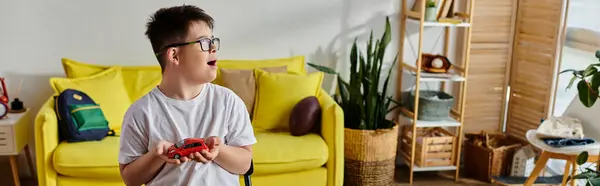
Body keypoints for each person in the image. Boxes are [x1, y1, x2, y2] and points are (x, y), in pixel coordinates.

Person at [118, 4, 256, 186]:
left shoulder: (228, 101)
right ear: (174, 55)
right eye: (204, 42)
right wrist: (157, 156)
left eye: (213, 41)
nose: (213, 47)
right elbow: (130, 179)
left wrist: (218, 150)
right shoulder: (141, 112)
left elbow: (245, 164)